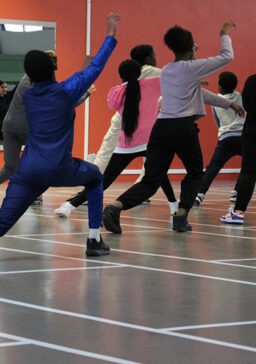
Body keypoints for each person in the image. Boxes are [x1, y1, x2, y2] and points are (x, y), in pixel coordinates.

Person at [0, 13, 120, 265]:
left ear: (30, 77)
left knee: (1, 223)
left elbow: (69, 88)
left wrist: (83, 72)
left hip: (28, 170)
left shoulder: (29, 96)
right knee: (95, 176)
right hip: (59, 168)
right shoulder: (65, 92)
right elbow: (95, 68)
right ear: (53, 70)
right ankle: (94, 240)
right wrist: (110, 34)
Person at [102, 22, 244, 235]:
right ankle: (181, 215)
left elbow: (198, 93)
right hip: (183, 127)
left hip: (161, 128)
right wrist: (223, 33)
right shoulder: (192, 68)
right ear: (190, 46)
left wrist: (228, 103)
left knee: (151, 179)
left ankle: (116, 207)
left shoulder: (167, 70)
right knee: (195, 173)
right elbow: (227, 56)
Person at [55, 44, 178, 217]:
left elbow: (114, 104)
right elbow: (175, 77)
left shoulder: (117, 92)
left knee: (104, 181)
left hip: (126, 143)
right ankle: (173, 205)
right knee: (159, 174)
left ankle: (69, 205)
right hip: (148, 140)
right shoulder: (155, 82)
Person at [0, 51, 93, 208]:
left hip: (9, 126)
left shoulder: (26, 77)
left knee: (9, 167)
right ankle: (34, 195)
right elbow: (62, 103)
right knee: (40, 163)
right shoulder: (44, 83)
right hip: (28, 128)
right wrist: (85, 92)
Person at [195, 71, 244, 206]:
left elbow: (218, 123)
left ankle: (199, 194)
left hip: (226, 139)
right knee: (249, 165)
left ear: (220, 87)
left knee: (213, 167)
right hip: (243, 138)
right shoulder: (240, 97)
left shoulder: (216, 102)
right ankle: (237, 191)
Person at [220, 74, 256, 224]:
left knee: (249, 171)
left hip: (253, 132)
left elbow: (247, 105)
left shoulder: (253, 80)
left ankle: (238, 212)